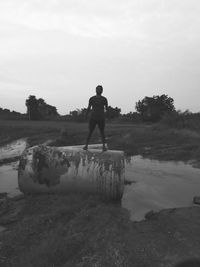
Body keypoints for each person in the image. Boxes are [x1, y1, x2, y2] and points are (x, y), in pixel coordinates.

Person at [83, 85, 108, 151]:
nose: (98, 90)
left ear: (102, 91)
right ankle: (86, 146)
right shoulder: (92, 98)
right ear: (95, 90)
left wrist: (108, 116)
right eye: (97, 89)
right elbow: (89, 107)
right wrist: (86, 115)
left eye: (99, 89)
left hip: (101, 118)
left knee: (102, 132)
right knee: (90, 132)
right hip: (93, 118)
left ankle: (104, 147)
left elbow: (107, 108)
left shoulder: (104, 99)